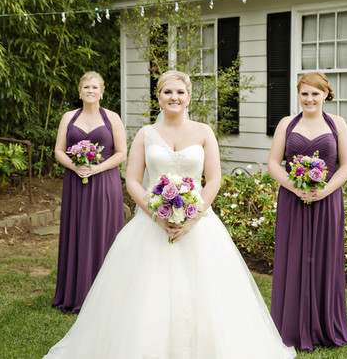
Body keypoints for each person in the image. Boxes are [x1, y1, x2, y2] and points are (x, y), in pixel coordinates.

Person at [43, 70, 296, 358]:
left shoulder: (203, 132)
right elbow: (133, 180)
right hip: (150, 225)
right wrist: (155, 215)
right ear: (159, 97)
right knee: (147, 296)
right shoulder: (145, 134)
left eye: (179, 92)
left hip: (199, 226)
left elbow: (213, 179)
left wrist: (193, 216)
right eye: (167, 92)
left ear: (188, 97)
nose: (174, 97)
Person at [267, 72, 347, 351]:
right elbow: (273, 163)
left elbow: (346, 166)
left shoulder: (337, 124)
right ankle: (291, 324)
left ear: (326, 95)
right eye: (305, 93)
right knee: (293, 258)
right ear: (298, 94)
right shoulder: (286, 124)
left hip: (327, 201)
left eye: (315, 94)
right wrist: (295, 187)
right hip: (293, 201)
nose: (309, 99)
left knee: (323, 258)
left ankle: (323, 325)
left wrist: (325, 190)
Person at [51, 71, 127, 313]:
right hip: (75, 182)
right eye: (86, 87)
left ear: (102, 91)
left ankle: (105, 294)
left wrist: (96, 169)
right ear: (79, 91)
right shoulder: (68, 117)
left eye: (95, 87)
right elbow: (59, 151)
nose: (90, 91)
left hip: (105, 182)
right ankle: (75, 292)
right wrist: (76, 166)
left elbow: (122, 153)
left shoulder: (112, 118)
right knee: (77, 230)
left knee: (102, 231)